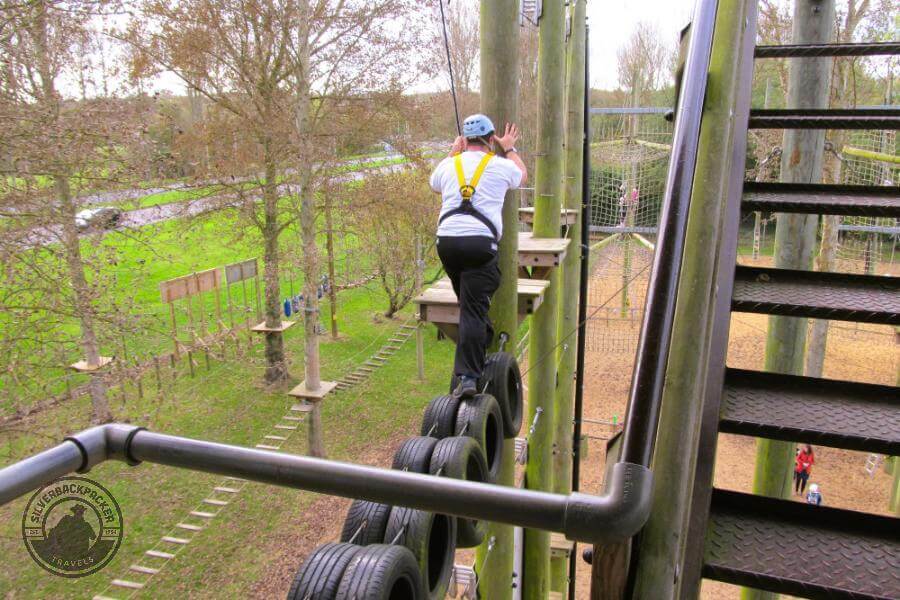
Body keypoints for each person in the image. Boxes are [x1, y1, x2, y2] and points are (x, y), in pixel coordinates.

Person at [430, 114, 527, 398]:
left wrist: (452, 152)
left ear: (465, 139)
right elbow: (522, 176)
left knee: (469, 302)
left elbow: (434, 183)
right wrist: (509, 148)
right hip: (479, 245)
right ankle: (469, 377)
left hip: (447, 243)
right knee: (472, 308)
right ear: (491, 138)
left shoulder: (450, 165)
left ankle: (482, 335)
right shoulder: (499, 164)